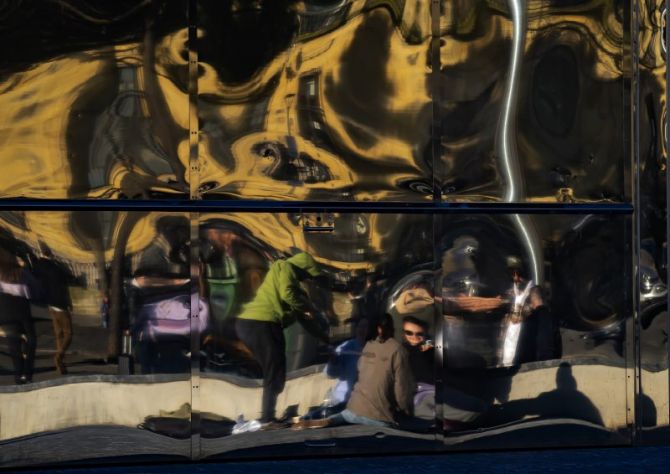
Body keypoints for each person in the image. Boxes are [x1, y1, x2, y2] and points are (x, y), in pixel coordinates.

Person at [235, 252, 330, 426]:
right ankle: (267, 418)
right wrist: (306, 307)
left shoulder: (296, 291)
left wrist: (325, 338)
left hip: (257, 325)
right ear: (303, 267)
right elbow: (287, 294)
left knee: (276, 371)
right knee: (274, 371)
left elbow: (305, 320)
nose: (306, 278)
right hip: (260, 323)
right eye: (307, 274)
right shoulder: (285, 267)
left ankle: (268, 414)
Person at [295, 313, 415, 429]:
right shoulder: (348, 347)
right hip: (344, 399)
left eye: (366, 327)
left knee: (342, 414)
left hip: (355, 404)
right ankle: (312, 418)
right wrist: (333, 361)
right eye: (360, 327)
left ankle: (320, 418)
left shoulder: (370, 346)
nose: (362, 330)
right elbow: (329, 374)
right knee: (333, 410)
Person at [33, 243, 74, 375]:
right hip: (60, 303)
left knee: (59, 334)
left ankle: (60, 363)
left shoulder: (38, 266)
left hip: (50, 304)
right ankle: (59, 356)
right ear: (50, 253)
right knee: (68, 333)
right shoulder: (55, 268)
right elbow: (64, 284)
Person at [0, 248, 36, 384]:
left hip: (5, 309)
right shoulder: (21, 272)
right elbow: (34, 289)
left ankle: (19, 375)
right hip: (20, 309)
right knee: (31, 340)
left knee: (14, 344)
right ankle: (27, 373)